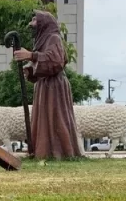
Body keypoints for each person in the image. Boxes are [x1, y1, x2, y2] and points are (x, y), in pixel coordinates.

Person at [13, 10, 82, 160]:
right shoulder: (42, 40)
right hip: (44, 84)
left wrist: (31, 55)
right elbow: (43, 63)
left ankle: (61, 152)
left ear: (44, 23)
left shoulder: (53, 38)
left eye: (34, 20)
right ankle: (43, 151)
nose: (31, 24)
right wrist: (30, 70)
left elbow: (55, 61)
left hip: (55, 86)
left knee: (56, 117)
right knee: (44, 118)